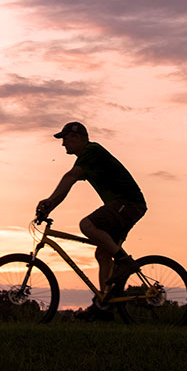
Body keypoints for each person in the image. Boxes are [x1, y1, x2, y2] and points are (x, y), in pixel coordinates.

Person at [35, 121, 147, 321]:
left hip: (128, 203)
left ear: (77, 137)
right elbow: (67, 185)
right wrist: (50, 206)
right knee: (103, 253)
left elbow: (70, 176)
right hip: (128, 205)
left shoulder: (92, 151)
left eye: (65, 139)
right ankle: (104, 305)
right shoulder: (88, 158)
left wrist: (48, 202)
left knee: (87, 225)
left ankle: (124, 262)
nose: (63, 145)